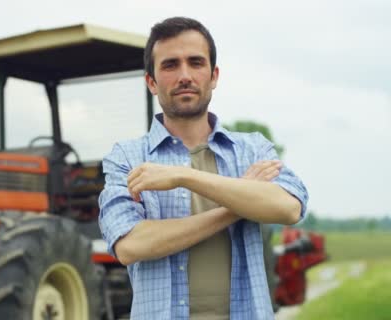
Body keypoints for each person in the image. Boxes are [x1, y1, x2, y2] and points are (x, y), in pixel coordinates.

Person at [98, 17, 308, 320]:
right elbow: (131, 245)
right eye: (170, 65)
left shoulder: (251, 149)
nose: (185, 75)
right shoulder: (127, 157)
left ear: (213, 76)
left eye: (196, 63)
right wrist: (239, 204)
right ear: (151, 82)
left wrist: (185, 176)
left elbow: (288, 208)